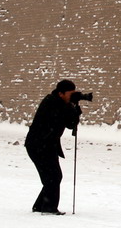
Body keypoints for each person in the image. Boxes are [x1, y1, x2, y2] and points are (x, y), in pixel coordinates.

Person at [24, 79, 82, 215]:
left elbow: (70, 124)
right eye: (70, 94)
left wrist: (75, 108)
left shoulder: (63, 104)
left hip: (48, 145)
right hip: (38, 145)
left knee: (53, 176)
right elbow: (57, 116)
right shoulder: (51, 102)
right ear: (61, 93)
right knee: (53, 177)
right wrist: (71, 107)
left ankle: (41, 206)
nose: (72, 96)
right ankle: (48, 207)